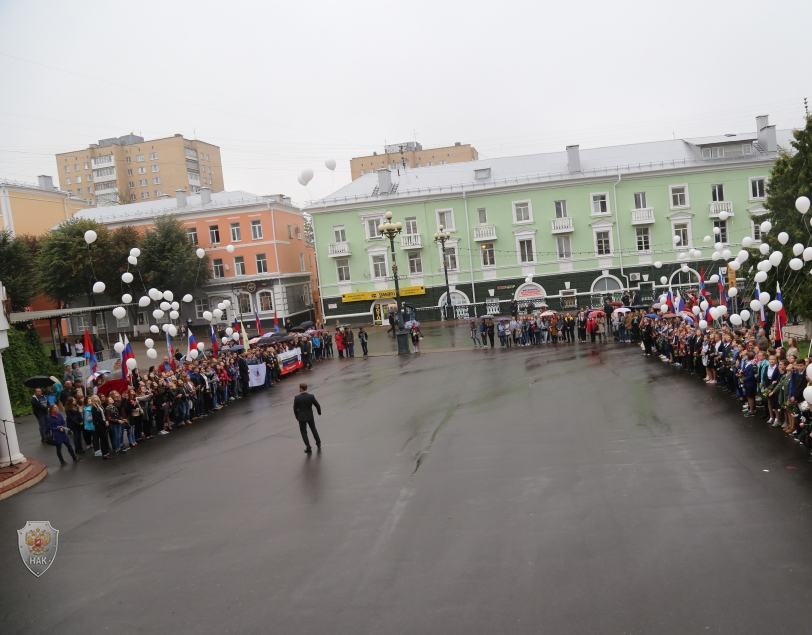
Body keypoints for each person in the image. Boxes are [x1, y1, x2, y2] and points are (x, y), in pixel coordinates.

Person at [293, 382, 321, 453]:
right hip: (310, 415)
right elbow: (317, 405)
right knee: (313, 429)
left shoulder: (297, 398)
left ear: (301, 389)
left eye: (299, 388)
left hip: (301, 417)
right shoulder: (311, 396)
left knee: (303, 432)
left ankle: (308, 447)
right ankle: (318, 442)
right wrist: (319, 412)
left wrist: (297, 416)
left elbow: (295, 408)